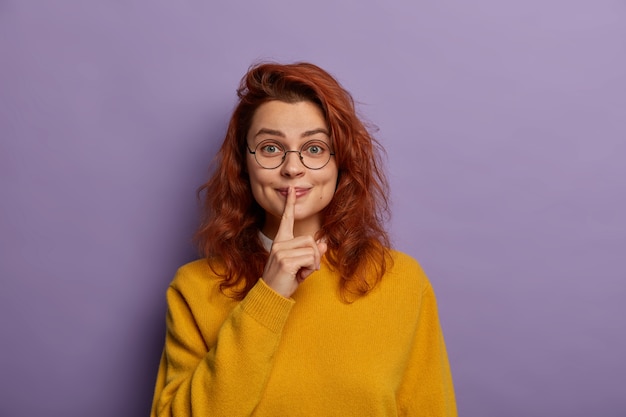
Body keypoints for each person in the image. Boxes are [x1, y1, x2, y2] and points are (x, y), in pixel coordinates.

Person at [150, 62, 457, 416]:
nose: (292, 167)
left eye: (314, 148)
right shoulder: (194, 289)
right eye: (269, 148)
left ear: (340, 162)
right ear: (242, 165)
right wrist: (269, 296)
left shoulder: (401, 280)